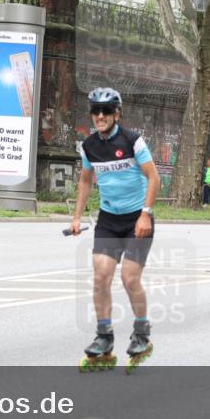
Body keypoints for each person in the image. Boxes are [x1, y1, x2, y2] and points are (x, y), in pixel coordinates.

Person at [71, 87, 160, 372]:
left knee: (129, 278)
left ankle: (142, 333)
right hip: (109, 219)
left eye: (106, 111)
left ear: (116, 114)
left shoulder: (132, 141)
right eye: (95, 111)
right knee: (101, 277)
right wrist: (76, 217)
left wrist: (146, 215)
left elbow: (153, 177)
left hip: (137, 219)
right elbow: (86, 181)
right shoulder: (89, 146)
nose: (100, 115)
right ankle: (104, 336)